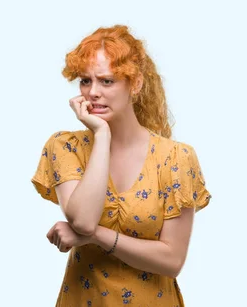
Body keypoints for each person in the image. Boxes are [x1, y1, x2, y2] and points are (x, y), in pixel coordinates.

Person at [30, 24, 212, 306]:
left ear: (135, 84)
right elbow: (82, 220)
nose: (93, 92)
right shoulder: (65, 147)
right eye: (85, 81)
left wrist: (93, 237)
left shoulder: (176, 158)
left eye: (107, 81)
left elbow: (172, 260)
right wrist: (102, 136)